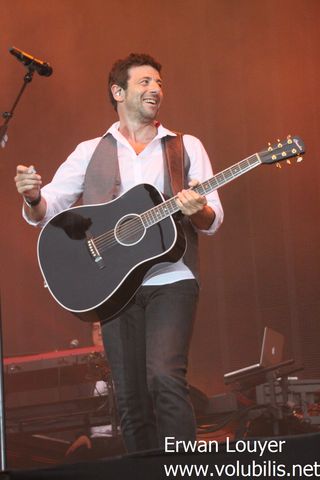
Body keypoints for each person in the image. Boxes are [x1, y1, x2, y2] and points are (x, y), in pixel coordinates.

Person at [14, 53, 224, 453]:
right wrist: (33, 196)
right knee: (129, 397)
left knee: (164, 377)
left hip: (171, 278)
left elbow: (214, 218)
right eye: (145, 82)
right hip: (112, 286)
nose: (156, 89)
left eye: (159, 83)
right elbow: (49, 209)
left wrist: (201, 211)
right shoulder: (90, 150)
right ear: (118, 91)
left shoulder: (185, 147)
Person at [65, 322, 124, 462]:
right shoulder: (83, 372)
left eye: (103, 327)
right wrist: (81, 435)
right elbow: (78, 410)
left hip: (124, 438)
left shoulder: (126, 362)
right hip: (94, 441)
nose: (99, 333)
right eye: (95, 328)